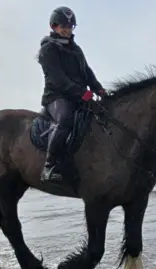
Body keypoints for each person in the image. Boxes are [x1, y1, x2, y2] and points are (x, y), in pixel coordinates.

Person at [37, 6, 107, 183]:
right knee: (65, 119)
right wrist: (81, 92)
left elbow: (87, 72)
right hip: (57, 97)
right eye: (63, 26)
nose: (67, 30)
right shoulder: (48, 49)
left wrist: (98, 88)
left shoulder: (76, 49)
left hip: (79, 95)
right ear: (54, 26)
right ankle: (49, 165)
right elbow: (57, 79)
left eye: (70, 27)